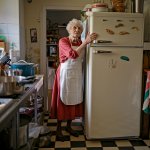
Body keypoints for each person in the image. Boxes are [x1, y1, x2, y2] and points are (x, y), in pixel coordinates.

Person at [50, 18, 97, 141]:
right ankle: (59, 129)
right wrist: (86, 42)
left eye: (79, 28)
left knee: (74, 98)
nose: (77, 30)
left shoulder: (81, 41)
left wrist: (85, 42)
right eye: (74, 28)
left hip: (76, 74)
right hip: (64, 74)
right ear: (69, 30)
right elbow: (72, 54)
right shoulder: (63, 41)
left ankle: (69, 127)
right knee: (63, 99)